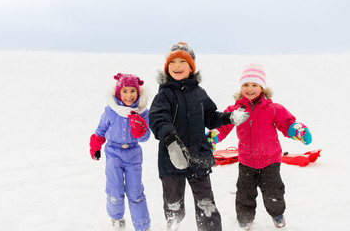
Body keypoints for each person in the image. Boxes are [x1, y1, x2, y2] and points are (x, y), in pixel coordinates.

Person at [148, 42, 250, 231]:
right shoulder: (164, 95)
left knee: (206, 204)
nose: (177, 66)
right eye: (173, 62)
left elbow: (211, 117)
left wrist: (230, 117)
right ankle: (174, 225)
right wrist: (171, 140)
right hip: (172, 159)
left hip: (198, 156)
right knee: (173, 204)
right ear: (167, 68)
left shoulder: (199, 93)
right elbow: (158, 119)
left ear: (192, 67)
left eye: (183, 62)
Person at [206, 63, 313, 230]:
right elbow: (224, 125)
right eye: (246, 85)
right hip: (246, 160)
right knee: (244, 193)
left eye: (254, 85)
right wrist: (214, 136)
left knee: (273, 192)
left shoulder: (272, 108)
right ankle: (245, 217)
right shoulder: (236, 109)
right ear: (241, 87)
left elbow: (287, 123)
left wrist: (298, 132)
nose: (250, 89)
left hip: (270, 160)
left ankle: (277, 213)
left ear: (262, 87)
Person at [89, 73, 151, 231]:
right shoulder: (111, 111)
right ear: (118, 93)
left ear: (138, 93)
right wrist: (95, 146)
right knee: (114, 189)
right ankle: (117, 218)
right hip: (113, 152)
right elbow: (101, 129)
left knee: (136, 192)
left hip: (133, 154)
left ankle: (143, 227)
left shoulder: (142, 112)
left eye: (132, 91)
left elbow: (145, 137)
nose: (129, 95)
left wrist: (140, 130)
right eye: (125, 91)